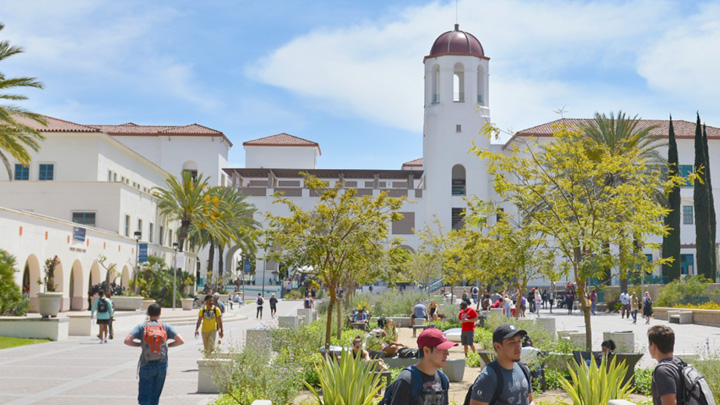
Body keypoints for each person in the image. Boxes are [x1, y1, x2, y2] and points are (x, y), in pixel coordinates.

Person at [124, 303, 184, 405]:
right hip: (161, 364)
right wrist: (167, 346)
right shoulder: (165, 326)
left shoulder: (142, 327)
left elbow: (127, 340)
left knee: (144, 397)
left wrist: (140, 345)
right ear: (160, 313)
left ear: (148, 313)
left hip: (146, 363)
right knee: (155, 397)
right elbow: (180, 340)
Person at [381, 328, 456, 404]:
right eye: (442, 349)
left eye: (447, 349)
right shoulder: (406, 380)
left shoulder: (443, 379)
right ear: (426, 351)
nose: (447, 353)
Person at [468, 324, 534, 405]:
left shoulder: (524, 370)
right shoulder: (488, 377)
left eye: (519, 341)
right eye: (512, 342)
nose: (518, 347)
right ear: (498, 346)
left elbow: (530, 400)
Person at [648, 325, 680, 405]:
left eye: (649, 344)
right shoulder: (679, 363)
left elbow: (670, 403)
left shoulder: (663, 371)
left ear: (654, 346)